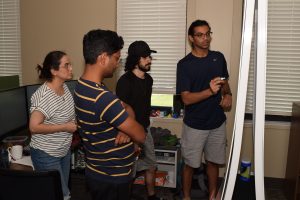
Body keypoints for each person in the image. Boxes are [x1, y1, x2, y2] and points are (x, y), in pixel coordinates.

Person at [74, 29, 146, 200]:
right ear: (103, 58)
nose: (117, 63)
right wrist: (128, 127)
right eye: (116, 59)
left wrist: (124, 126)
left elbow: (127, 107)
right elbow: (141, 134)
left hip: (97, 172)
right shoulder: (102, 98)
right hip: (112, 178)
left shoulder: (82, 86)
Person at [176, 20, 232, 200]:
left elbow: (224, 82)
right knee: (190, 165)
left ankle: (213, 196)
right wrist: (210, 92)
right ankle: (186, 197)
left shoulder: (218, 57)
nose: (205, 38)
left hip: (216, 122)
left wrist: (228, 94)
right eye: (200, 35)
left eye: (208, 33)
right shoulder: (185, 64)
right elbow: (185, 98)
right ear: (191, 38)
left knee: (213, 163)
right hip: (195, 125)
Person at [29, 50, 77, 200]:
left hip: (63, 151)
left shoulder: (65, 88)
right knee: (62, 194)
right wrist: (65, 127)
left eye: (70, 65)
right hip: (46, 154)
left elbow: (69, 115)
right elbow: (34, 127)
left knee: (61, 193)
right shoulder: (43, 96)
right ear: (54, 70)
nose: (71, 69)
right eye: (66, 65)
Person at [116, 41, 159, 200]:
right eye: (145, 57)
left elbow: (143, 104)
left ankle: (152, 196)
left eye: (150, 56)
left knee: (151, 166)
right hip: (129, 134)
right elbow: (121, 113)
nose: (149, 60)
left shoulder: (149, 80)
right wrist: (133, 140)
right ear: (135, 59)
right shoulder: (124, 82)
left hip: (145, 131)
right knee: (129, 173)